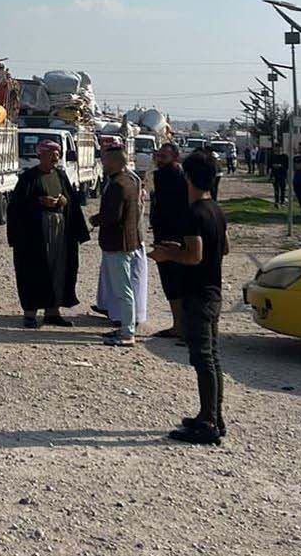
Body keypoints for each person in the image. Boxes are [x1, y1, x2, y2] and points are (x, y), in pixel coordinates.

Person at [149, 150, 228, 445]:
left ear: (188, 177)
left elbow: (194, 256)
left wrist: (168, 253)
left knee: (203, 358)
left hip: (197, 294)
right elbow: (224, 248)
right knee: (213, 357)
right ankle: (213, 415)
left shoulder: (193, 213)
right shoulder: (216, 210)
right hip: (214, 291)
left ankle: (208, 422)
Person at [7, 139, 89, 328]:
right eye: (51, 154)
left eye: (57, 154)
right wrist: (38, 203)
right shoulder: (29, 178)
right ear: (41, 155)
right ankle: (30, 313)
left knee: (58, 270)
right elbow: (17, 208)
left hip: (59, 233)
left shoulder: (60, 176)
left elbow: (70, 201)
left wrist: (62, 201)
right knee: (34, 270)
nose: (55, 158)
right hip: (35, 235)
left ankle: (52, 312)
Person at [91, 146, 143, 346]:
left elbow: (112, 216)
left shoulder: (117, 186)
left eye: (105, 159)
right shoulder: (129, 182)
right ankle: (124, 328)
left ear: (113, 162)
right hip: (126, 243)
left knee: (123, 290)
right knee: (123, 289)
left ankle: (127, 333)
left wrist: (95, 219)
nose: (102, 163)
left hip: (117, 244)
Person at [148, 143, 191, 340]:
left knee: (173, 281)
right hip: (172, 233)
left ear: (174, 157)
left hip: (170, 236)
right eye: (158, 154)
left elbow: (167, 207)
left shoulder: (168, 174)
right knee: (175, 282)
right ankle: (180, 325)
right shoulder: (174, 173)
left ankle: (180, 327)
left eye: (164, 155)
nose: (159, 158)